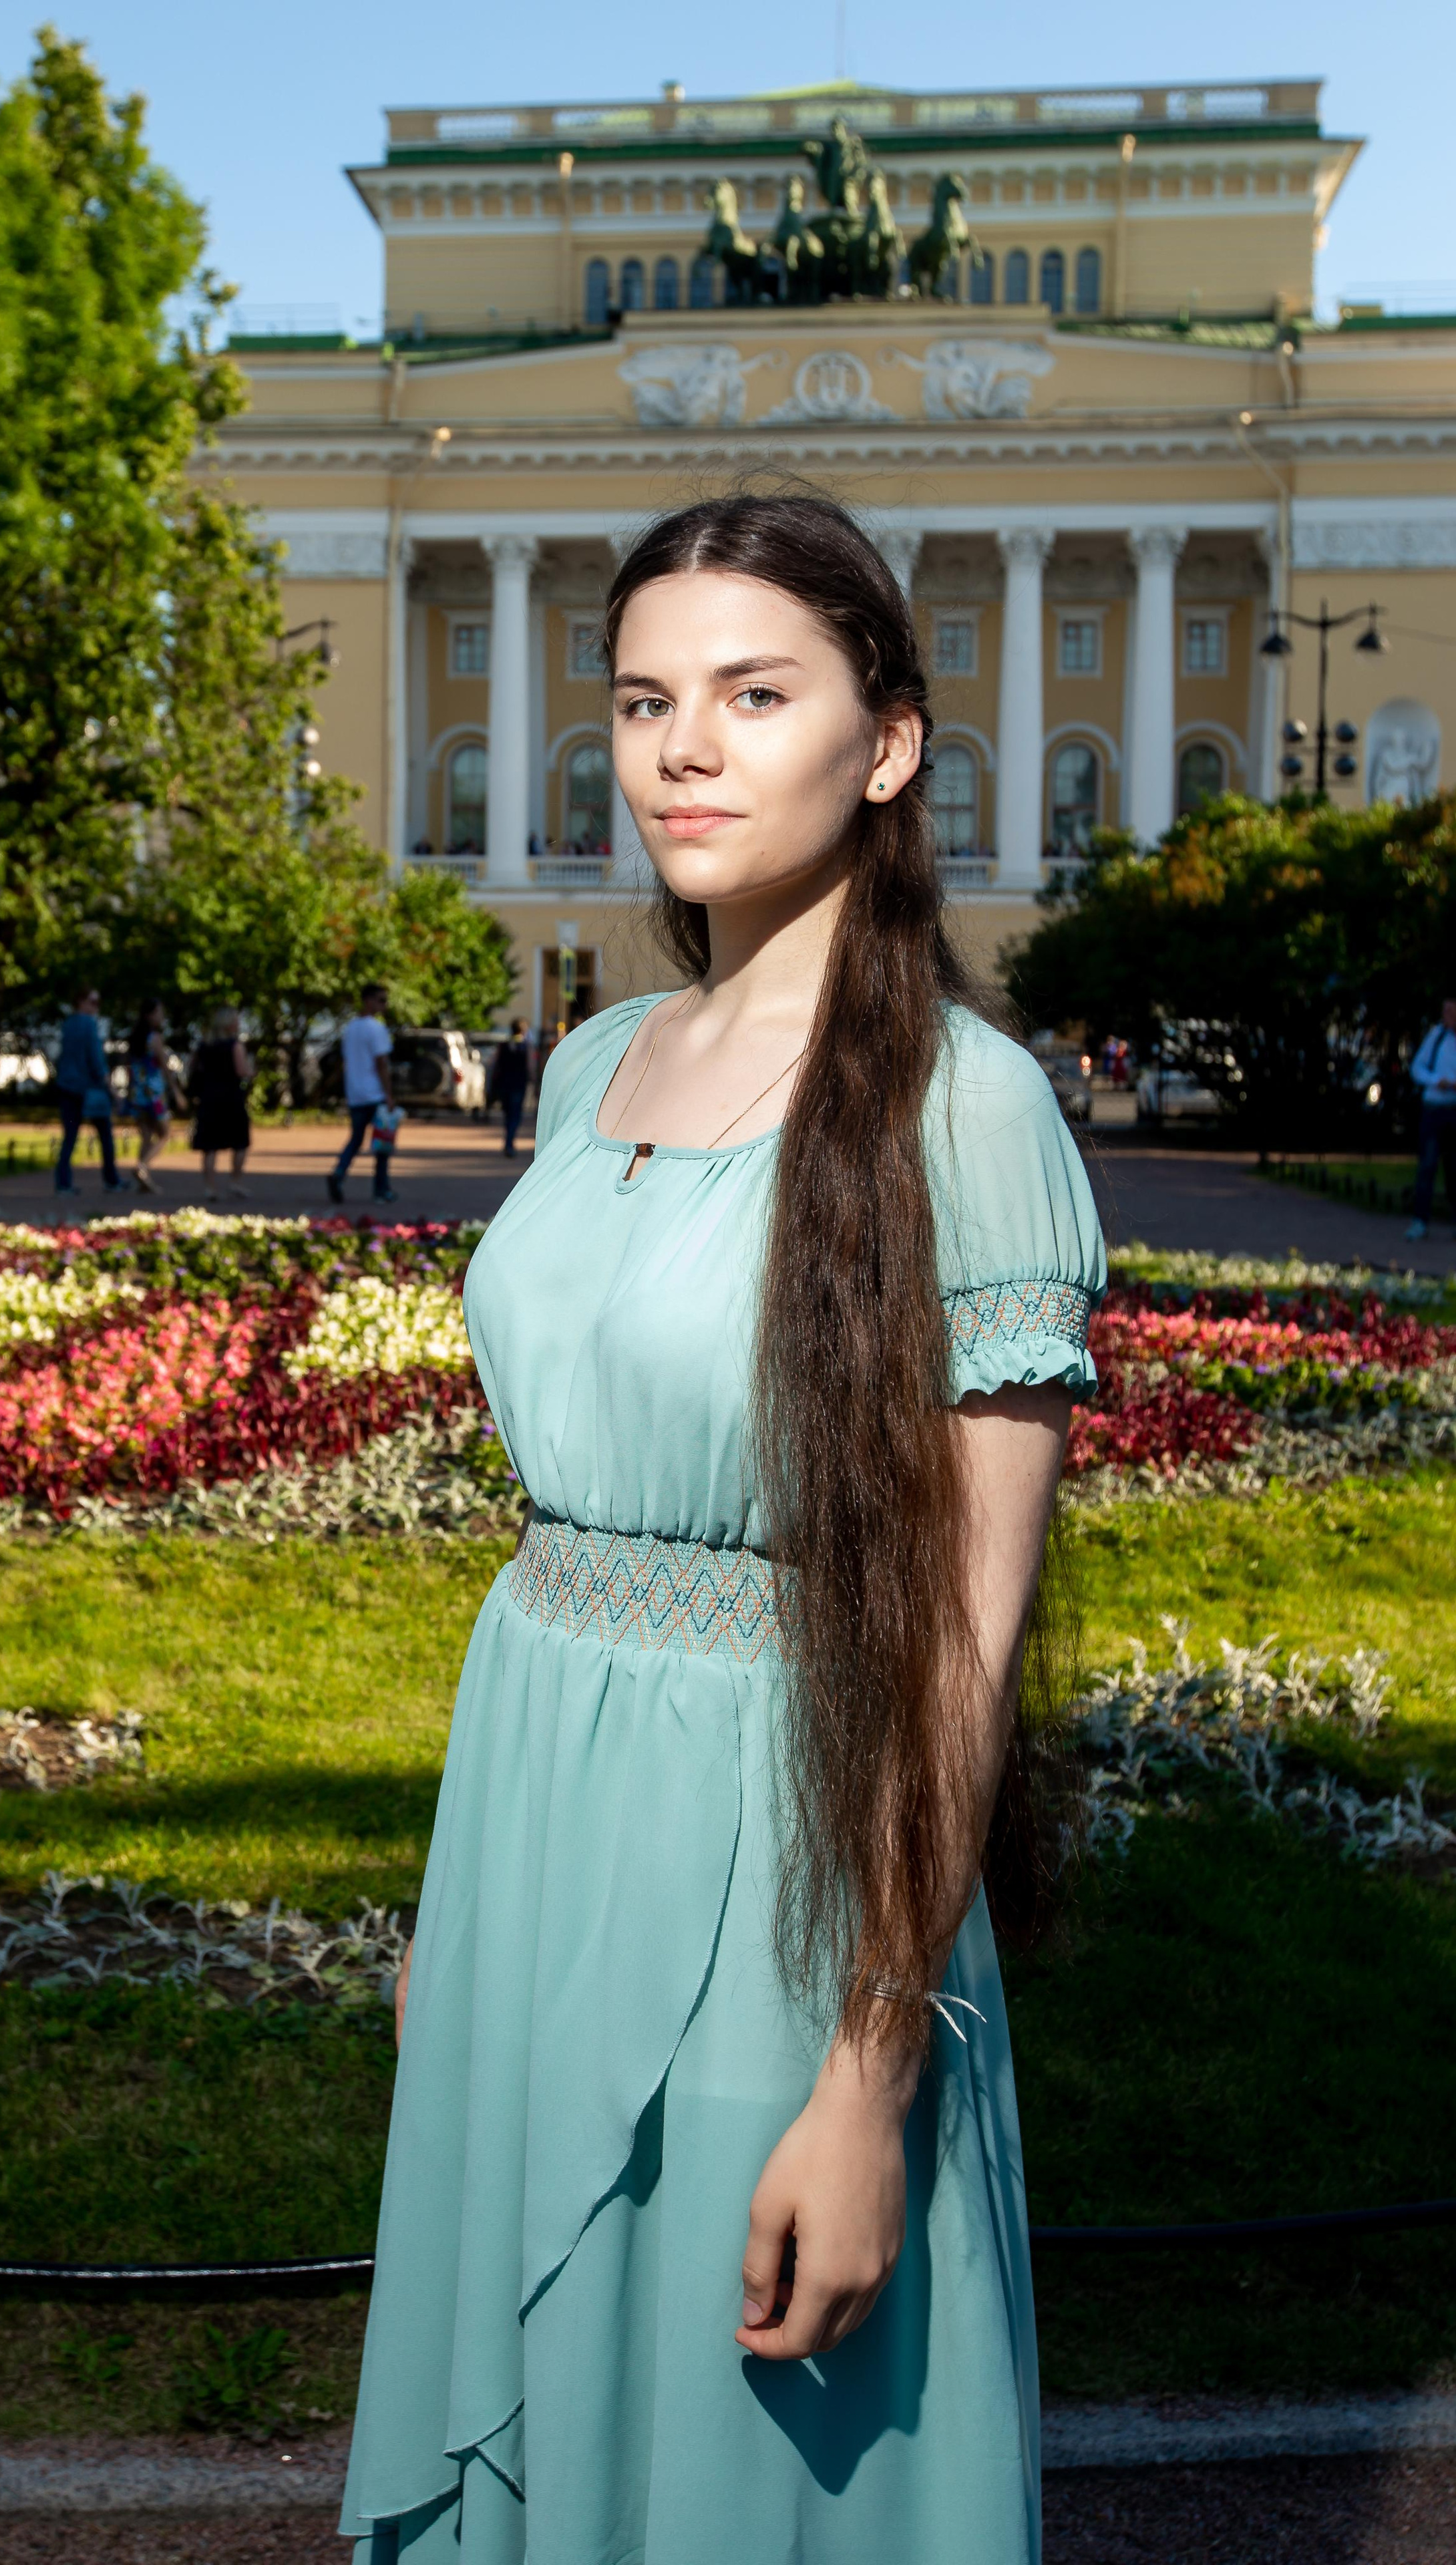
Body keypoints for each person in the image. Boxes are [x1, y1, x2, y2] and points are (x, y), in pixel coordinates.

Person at [341, 495, 1105, 2563]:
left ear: (884, 742)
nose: (680, 747)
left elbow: (955, 1638)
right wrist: (461, 1901)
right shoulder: (594, 1058)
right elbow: (547, 1546)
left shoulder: (965, 1106)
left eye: (753, 694)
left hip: (780, 1878)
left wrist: (868, 2081)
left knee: (731, 2454)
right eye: (645, 699)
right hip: (535, 1844)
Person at [53, 989, 127, 1195]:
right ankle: (111, 1180)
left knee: (70, 1136)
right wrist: (112, 1090)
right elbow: (96, 1060)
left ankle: (63, 1182)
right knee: (105, 1135)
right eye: (93, 1002)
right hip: (90, 1089)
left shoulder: (68, 1024)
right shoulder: (89, 1025)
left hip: (67, 1086)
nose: (96, 1006)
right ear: (80, 1001)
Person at [327, 984, 395, 1205]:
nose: (384, 1005)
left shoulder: (351, 1028)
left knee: (356, 1139)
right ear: (368, 1001)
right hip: (375, 1094)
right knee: (382, 1145)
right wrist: (389, 1094)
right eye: (381, 1000)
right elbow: (381, 1063)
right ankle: (381, 1190)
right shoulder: (376, 1029)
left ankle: (339, 1173)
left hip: (356, 1093)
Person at [1407, 993, 1456, 1239]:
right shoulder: (1438, 1035)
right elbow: (1417, 1067)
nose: (1446, 1017)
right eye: (1445, 1011)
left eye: (1451, 1012)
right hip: (1435, 1108)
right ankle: (1420, 1221)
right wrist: (1436, 1081)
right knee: (1428, 1165)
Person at [187, 1006, 253, 1200]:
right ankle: (235, 1181)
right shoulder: (235, 1046)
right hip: (231, 1097)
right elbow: (241, 1071)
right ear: (230, 1024)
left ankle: (210, 1187)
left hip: (208, 1098)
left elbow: (192, 1067)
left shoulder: (204, 1046)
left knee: (210, 1146)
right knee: (240, 1141)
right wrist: (251, 1072)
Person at [128, 1001, 174, 1194]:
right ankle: (142, 1167)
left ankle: (143, 1181)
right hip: (154, 1094)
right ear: (150, 1015)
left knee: (146, 1136)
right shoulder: (155, 1038)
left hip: (138, 1092)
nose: (162, 1017)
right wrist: (177, 1091)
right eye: (159, 1013)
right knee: (165, 1135)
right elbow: (164, 1066)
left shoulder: (135, 1038)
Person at [487, 1016, 532, 1156]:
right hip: (519, 1084)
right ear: (524, 1031)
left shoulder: (503, 1045)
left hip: (504, 1084)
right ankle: (509, 1143)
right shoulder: (526, 1046)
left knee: (507, 1114)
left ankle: (508, 1140)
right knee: (515, 1115)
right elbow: (531, 1066)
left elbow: (494, 1064)